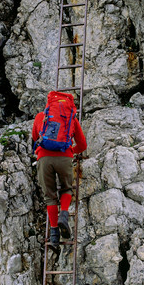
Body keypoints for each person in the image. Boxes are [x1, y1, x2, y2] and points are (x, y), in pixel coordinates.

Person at [32, 91, 87, 250]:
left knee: (50, 196)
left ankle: (54, 235)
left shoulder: (40, 117)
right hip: (64, 158)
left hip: (44, 159)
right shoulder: (71, 118)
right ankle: (64, 214)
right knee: (66, 189)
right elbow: (82, 145)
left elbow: (36, 138)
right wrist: (71, 151)